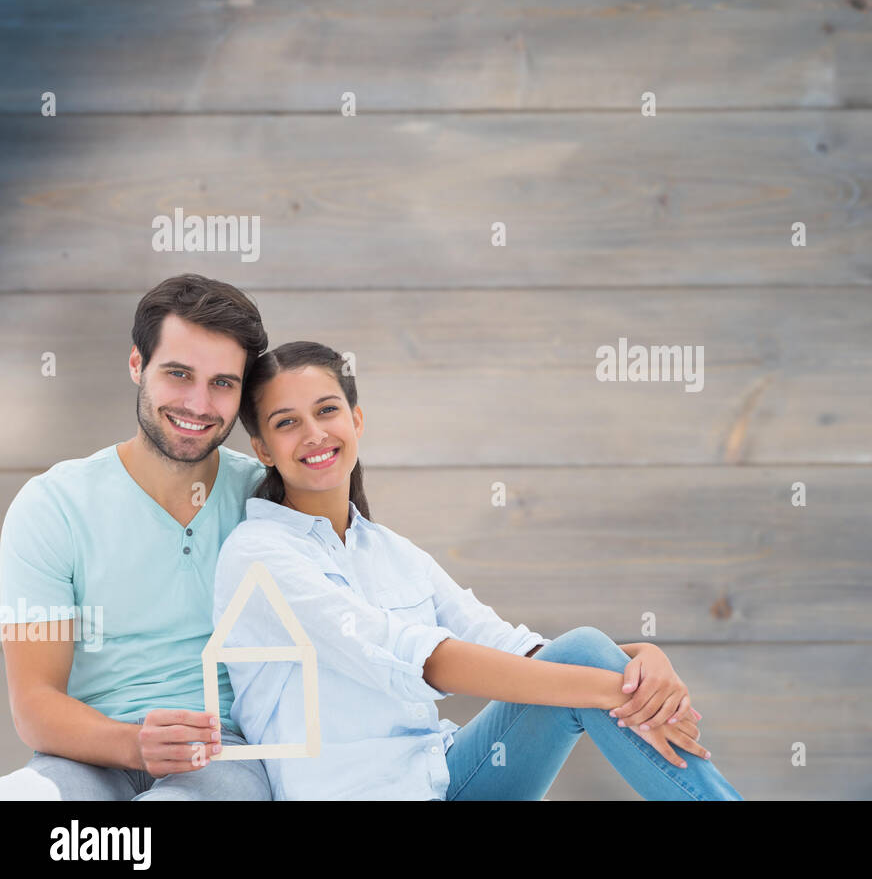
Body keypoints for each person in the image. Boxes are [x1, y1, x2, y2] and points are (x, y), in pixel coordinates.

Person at [215, 340, 744, 800]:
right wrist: (611, 690)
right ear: (262, 447)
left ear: (355, 419)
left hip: (448, 779)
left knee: (586, 651)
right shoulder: (259, 554)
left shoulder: (392, 552)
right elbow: (413, 659)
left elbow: (515, 648)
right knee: (600, 679)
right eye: (287, 423)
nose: (313, 433)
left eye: (326, 410)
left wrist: (640, 661)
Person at [0, 274, 275, 800]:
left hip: (222, 762)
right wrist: (133, 744)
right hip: (84, 758)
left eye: (222, 382)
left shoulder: (266, 500)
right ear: (136, 365)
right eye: (178, 374)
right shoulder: (52, 506)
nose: (198, 404)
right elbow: (34, 702)